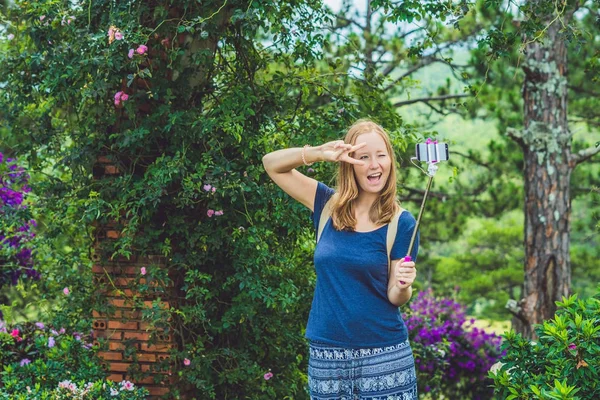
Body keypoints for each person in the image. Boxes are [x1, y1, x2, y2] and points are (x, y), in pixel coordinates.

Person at [262, 119, 419, 400]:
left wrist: (404, 285)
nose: (375, 165)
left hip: (384, 358)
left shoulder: (401, 222)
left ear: (391, 162)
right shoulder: (326, 204)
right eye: (364, 157)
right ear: (349, 163)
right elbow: (271, 164)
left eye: (381, 155)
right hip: (327, 356)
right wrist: (319, 152)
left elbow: (395, 296)